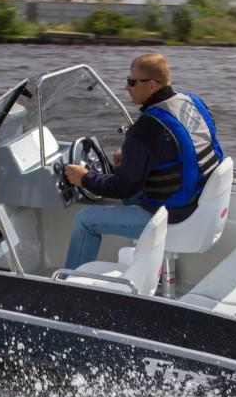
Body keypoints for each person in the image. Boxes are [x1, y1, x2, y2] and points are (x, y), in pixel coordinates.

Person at [62, 52, 224, 270]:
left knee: (85, 219)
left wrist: (84, 178)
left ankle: (68, 283)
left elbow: (122, 188)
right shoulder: (193, 103)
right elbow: (182, 148)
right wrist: (132, 159)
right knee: (122, 187)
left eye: (132, 82)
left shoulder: (146, 128)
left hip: (172, 213)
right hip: (199, 201)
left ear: (152, 85)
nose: (126, 87)